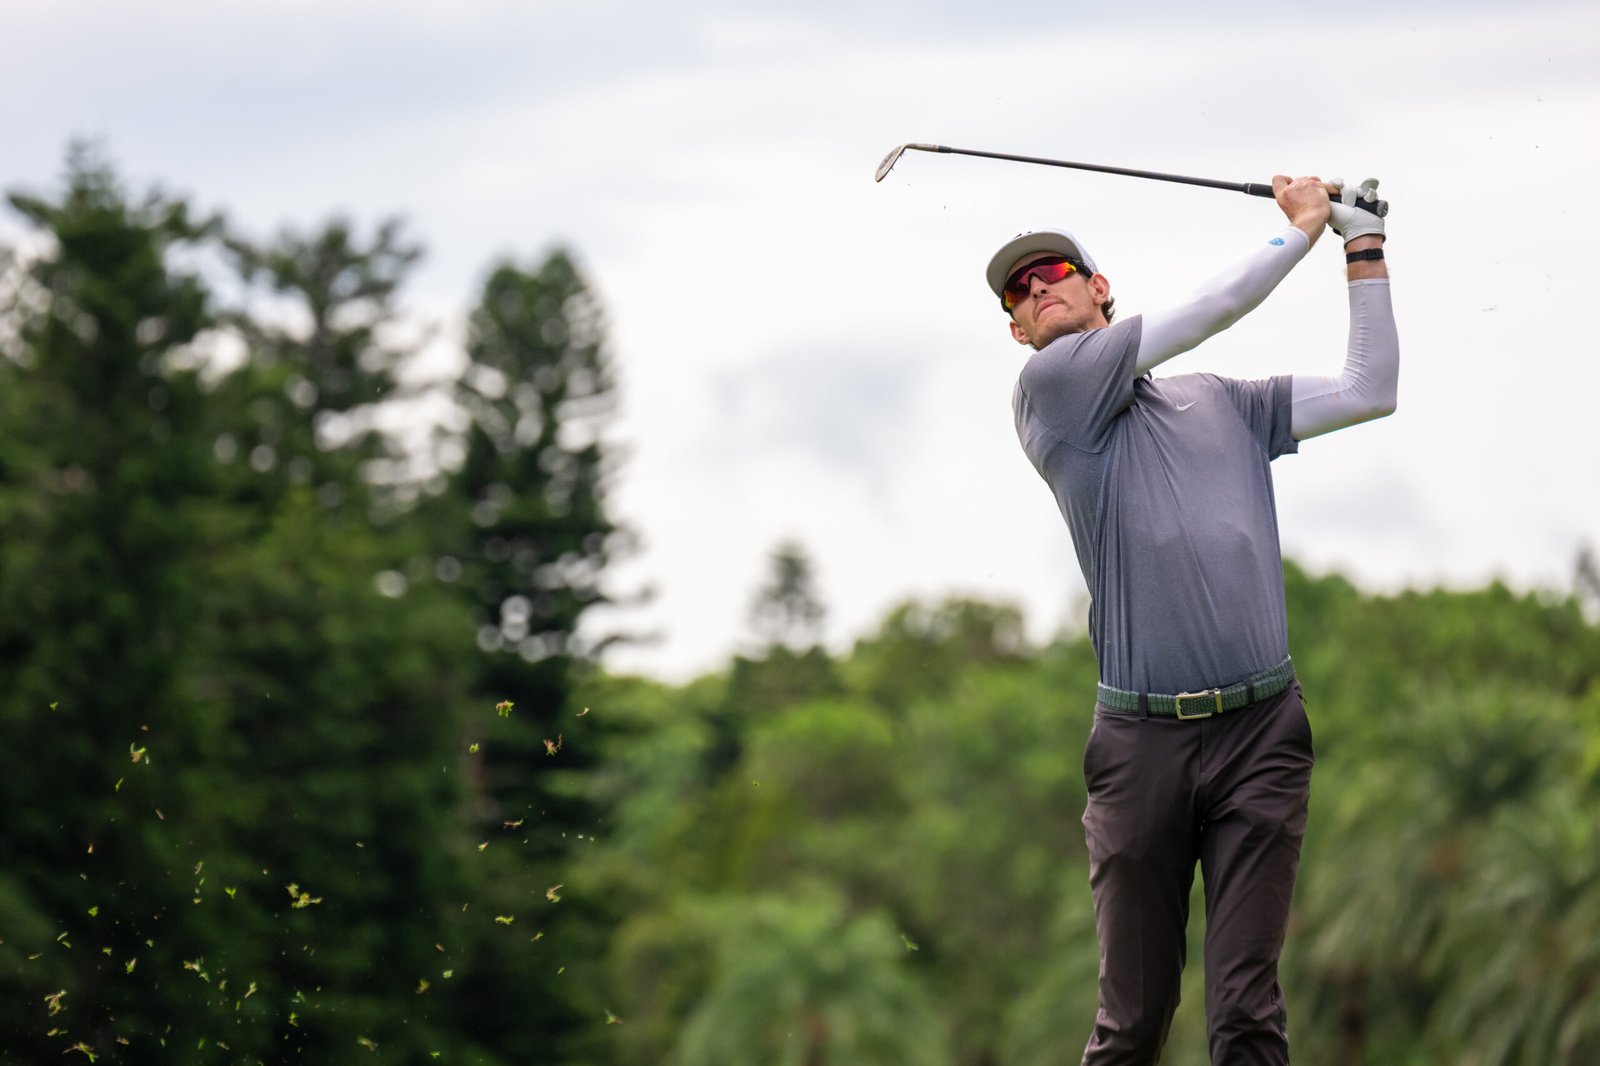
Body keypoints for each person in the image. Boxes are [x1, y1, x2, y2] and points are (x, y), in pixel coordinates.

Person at [989, 174, 1398, 1065]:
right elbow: (1215, 305)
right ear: (1019, 332)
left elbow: (1370, 390)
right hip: (1142, 750)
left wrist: (1361, 250)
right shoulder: (1053, 393)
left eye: (1053, 271)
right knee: (1133, 1022)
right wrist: (1301, 230)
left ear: (1101, 289)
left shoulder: (1224, 402)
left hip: (1263, 732)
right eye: (1018, 294)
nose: (1036, 290)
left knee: (1248, 1012)